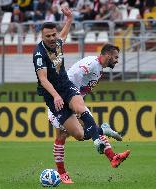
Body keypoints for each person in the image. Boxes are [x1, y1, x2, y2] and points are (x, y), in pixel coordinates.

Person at [32, 7, 107, 162]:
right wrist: (56, 96)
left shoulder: (57, 42)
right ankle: (100, 130)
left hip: (66, 85)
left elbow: (64, 34)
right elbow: (43, 79)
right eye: (48, 36)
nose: (52, 38)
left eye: (54, 34)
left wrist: (69, 19)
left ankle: (97, 141)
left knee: (80, 107)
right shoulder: (39, 54)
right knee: (79, 135)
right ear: (42, 36)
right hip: (52, 95)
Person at [49, 44, 131, 184]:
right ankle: (62, 173)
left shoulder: (99, 69)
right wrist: (74, 97)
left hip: (73, 102)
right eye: (116, 57)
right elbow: (75, 75)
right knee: (63, 136)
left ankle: (113, 157)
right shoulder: (91, 63)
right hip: (60, 101)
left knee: (88, 130)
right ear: (108, 55)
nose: (117, 60)